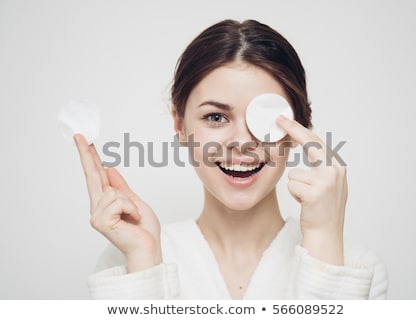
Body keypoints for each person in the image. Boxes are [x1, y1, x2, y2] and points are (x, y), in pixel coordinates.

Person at [74, 19, 388, 299]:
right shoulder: (127, 259)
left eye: (267, 119)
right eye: (215, 117)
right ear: (180, 125)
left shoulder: (354, 269)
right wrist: (143, 262)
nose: (241, 142)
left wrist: (322, 242)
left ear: (298, 129)